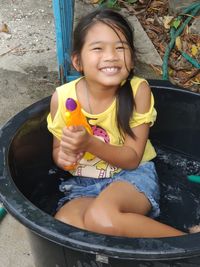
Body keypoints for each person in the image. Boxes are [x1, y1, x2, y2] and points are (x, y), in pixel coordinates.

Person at [47, 8, 185, 238]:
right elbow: (58, 149)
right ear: (77, 60)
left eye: (120, 47)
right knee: (66, 226)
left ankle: (187, 246)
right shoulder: (62, 99)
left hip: (131, 177)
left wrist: (90, 143)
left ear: (131, 59)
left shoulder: (137, 91)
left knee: (102, 217)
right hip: (83, 184)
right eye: (98, 48)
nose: (111, 56)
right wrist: (64, 157)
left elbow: (132, 158)